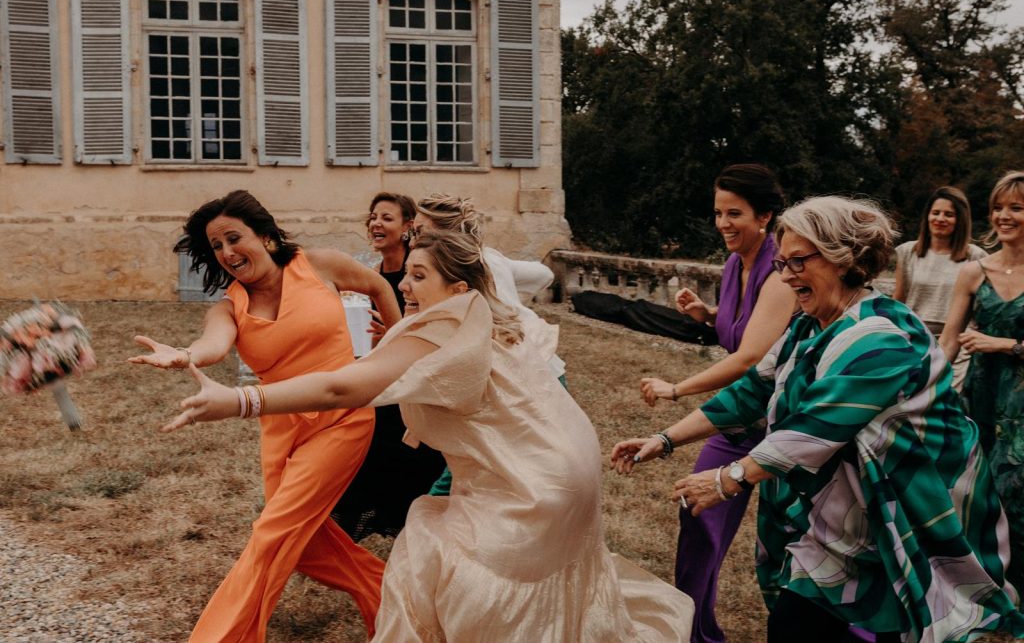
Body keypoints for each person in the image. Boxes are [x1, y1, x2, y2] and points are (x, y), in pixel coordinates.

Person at [163, 230, 695, 640]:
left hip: (531, 488)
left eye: (418, 276)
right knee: (512, 580)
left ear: (456, 288)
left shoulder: (442, 324)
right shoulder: (495, 312)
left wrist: (238, 400)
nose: (405, 285)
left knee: (431, 549)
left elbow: (339, 388)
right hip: (570, 470)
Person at [613, 196, 1024, 643]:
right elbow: (752, 390)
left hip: (892, 518)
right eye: (782, 263)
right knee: (804, 621)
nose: (786, 275)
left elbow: (816, 428)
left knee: (826, 624)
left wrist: (728, 479)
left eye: (798, 262)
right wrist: (665, 439)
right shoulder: (809, 326)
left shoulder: (880, 335)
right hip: (835, 523)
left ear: (843, 258)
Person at [128, 190, 401, 641]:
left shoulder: (320, 265)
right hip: (279, 429)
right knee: (306, 544)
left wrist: (393, 342)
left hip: (342, 417)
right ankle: (389, 591)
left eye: (234, 238)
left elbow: (377, 286)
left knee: (272, 536)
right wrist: (184, 355)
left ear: (267, 236)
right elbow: (213, 346)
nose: (227, 253)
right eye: (217, 246)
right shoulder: (229, 305)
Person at [636, 163, 794, 643]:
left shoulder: (781, 273)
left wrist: (676, 389)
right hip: (740, 419)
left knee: (787, 545)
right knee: (696, 506)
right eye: (718, 213)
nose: (723, 223)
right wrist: (707, 314)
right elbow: (741, 327)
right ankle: (697, 633)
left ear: (764, 216)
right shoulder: (732, 265)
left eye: (735, 214)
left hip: (784, 424)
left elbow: (750, 357)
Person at [413, 193, 564, 495]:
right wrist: (516, 301)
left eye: (420, 232)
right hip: (546, 368)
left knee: (487, 464)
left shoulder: (458, 273)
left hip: (520, 377)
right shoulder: (490, 257)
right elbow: (545, 274)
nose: (413, 238)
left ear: (445, 233)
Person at [331, 192, 447, 541]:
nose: (376, 224)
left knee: (408, 455)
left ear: (409, 226)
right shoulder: (369, 277)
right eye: (372, 217)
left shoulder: (424, 272)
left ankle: (413, 525)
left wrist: (394, 336)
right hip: (378, 378)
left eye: (386, 218)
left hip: (417, 381)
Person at [940, 170, 1024, 590]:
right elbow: (949, 340)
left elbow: (994, 343)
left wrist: (1006, 345)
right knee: (976, 491)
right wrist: (922, 386)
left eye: (1017, 208)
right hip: (981, 396)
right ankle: (983, 590)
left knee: (1017, 491)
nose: (1003, 216)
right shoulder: (973, 272)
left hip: (1021, 404)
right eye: (998, 207)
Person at [894, 186, 986, 389]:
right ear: (927, 216)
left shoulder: (976, 257)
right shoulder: (907, 252)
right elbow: (898, 301)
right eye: (935, 213)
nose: (940, 219)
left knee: (951, 402)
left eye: (949, 214)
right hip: (914, 338)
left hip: (959, 343)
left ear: (960, 220)